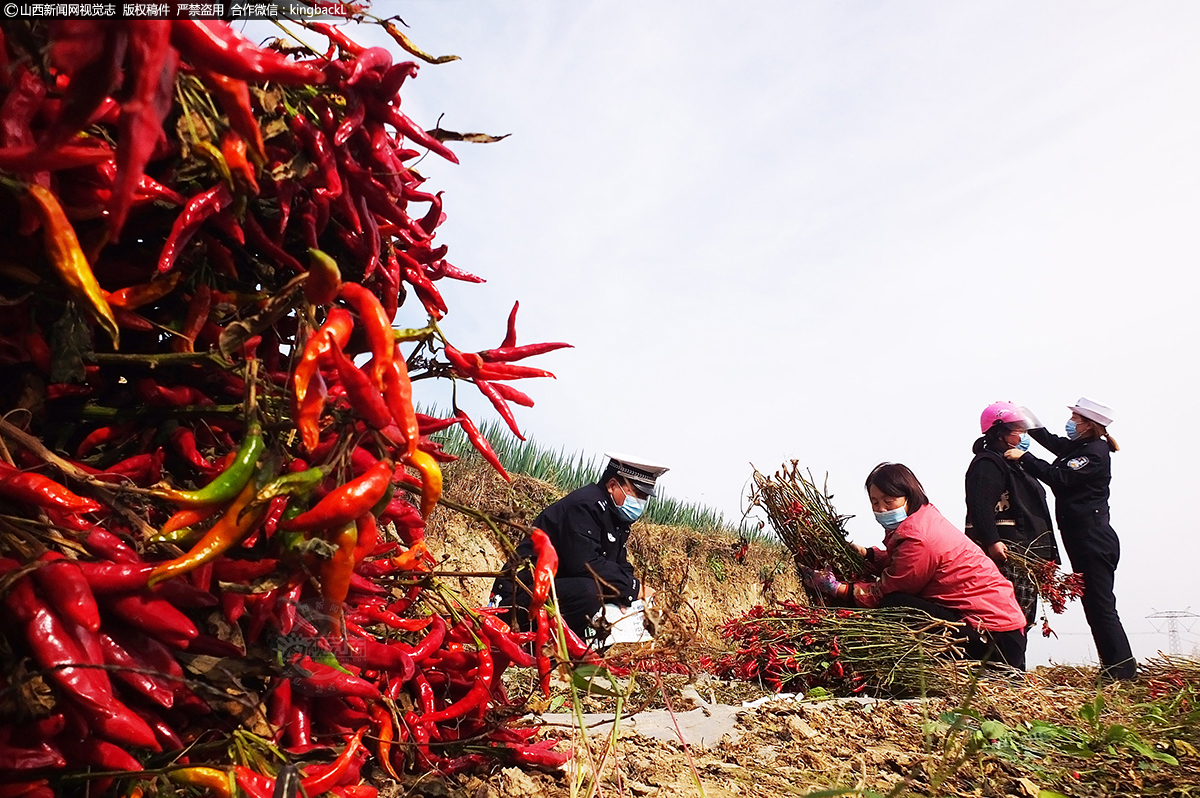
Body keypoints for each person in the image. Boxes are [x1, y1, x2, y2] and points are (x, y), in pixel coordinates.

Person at [805, 463, 1028, 670]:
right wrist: (868, 554)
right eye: (875, 502)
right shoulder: (923, 518)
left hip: (995, 640)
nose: (881, 509)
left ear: (908, 497)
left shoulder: (918, 537)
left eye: (888, 501)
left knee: (894, 603)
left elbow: (890, 588)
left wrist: (841, 589)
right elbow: (906, 562)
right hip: (1002, 630)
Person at [1006, 397, 1136, 681]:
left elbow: (1059, 476)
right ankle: (1114, 667)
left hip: (1093, 539)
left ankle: (1122, 670)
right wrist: (1028, 420)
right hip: (1082, 539)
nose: (1071, 424)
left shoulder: (1094, 453)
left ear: (1088, 425)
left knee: (1101, 606)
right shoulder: (1082, 447)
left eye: (1076, 420)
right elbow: (1054, 444)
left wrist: (1024, 458)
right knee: (1095, 605)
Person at [489, 453, 666, 640]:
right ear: (613, 486)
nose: (641, 503)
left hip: (554, 590)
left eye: (645, 497)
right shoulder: (584, 507)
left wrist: (631, 593)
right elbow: (585, 564)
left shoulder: (614, 517)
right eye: (638, 494)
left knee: (611, 593)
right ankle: (537, 644)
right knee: (590, 592)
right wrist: (632, 588)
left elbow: (618, 564)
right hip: (517, 598)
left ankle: (574, 649)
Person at [965, 401, 1060, 629]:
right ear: (1000, 434)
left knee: (1024, 619)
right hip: (1009, 553)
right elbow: (980, 506)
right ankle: (1005, 664)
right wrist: (992, 541)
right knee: (1010, 619)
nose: (1023, 437)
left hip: (1027, 553)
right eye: (1018, 432)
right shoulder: (987, 464)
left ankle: (1014, 664)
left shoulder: (1015, 464)